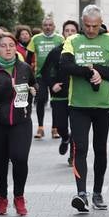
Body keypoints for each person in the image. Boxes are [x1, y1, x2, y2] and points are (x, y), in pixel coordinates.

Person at [59, 5, 109, 213]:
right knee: (80, 148)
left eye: (95, 26)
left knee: (100, 149)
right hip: (78, 104)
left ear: (101, 23)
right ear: (82, 22)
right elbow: (65, 66)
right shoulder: (73, 40)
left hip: (103, 104)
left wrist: (100, 72)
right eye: (87, 26)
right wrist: (89, 73)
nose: (90, 30)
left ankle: (97, 192)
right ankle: (81, 194)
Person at [0, 31, 35, 217]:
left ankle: (19, 196)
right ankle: (2, 197)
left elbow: (35, 86)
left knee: (19, 159)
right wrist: (5, 87)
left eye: (11, 45)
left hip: (21, 122)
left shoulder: (24, 68)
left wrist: (34, 91)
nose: (8, 49)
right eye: (3, 46)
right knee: (0, 163)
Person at [40, 19, 78, 159]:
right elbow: (44, 72)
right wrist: (52, 85)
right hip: (60, 95)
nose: (69, 33)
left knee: (77, 128)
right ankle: (65, 138)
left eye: (72, 31)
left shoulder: (81, 51)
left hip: (77, 95)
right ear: (63, 33)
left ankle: (73, 156)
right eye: (67, 30)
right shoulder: (56, 51)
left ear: (77, 33)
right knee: (61, 126)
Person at [27, 16, 65, 140]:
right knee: (41, 100)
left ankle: (55, 128)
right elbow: (29, 57)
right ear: (42, 26)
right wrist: (28, 73)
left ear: (54, 26)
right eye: (45, 25)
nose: (48, 27)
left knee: (55, 102)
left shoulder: (60, 38)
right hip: (40, 75)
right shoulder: (35, 39)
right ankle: (41, 127)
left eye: (50, 25)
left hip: (55, 76)